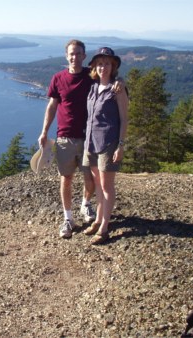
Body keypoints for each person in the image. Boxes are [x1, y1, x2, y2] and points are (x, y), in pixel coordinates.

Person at [38, 39, 97, 239]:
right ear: (66, 55)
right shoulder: (58, 78)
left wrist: (120, 83)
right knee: (66, 179)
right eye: (71, 53)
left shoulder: (92, 76)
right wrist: (44, 131)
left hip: (88, 137)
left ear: (84, 55)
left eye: (78, 53)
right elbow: (52, 106)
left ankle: (86, 205)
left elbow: (111, 79)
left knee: (90, 178)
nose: (74, 57)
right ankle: (68, 218)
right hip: (64, 137)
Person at [82, 47, 129, 245]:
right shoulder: (93, 88)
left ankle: (104, 228)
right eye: (100, 64)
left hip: (108, 143)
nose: (103, 67)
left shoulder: (117, 89)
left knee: (107, 186)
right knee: (98, 184)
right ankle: (99, 219)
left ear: (113, 66)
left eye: (107, 63)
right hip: (91, 142)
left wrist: (121, 145)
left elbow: (125, 119)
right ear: (95, 66)